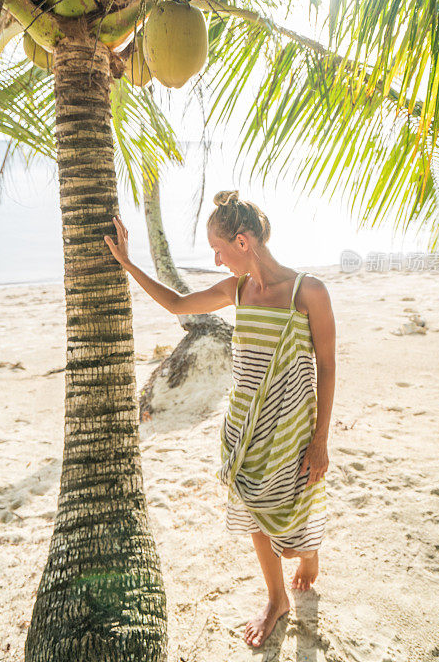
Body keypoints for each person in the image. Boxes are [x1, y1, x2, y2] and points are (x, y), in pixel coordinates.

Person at [104, 189, 336, 648]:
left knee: (294, 520)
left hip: (293, 427)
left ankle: (307, 554)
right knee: (252, 507)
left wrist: (320, 439)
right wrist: (129, 265)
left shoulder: (308, 292)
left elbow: (327, 364)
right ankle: (276, 598)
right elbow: (176, 304)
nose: (215, 258)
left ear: (243, 241)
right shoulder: (236, 290)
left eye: (218, 247)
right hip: (244, 426)